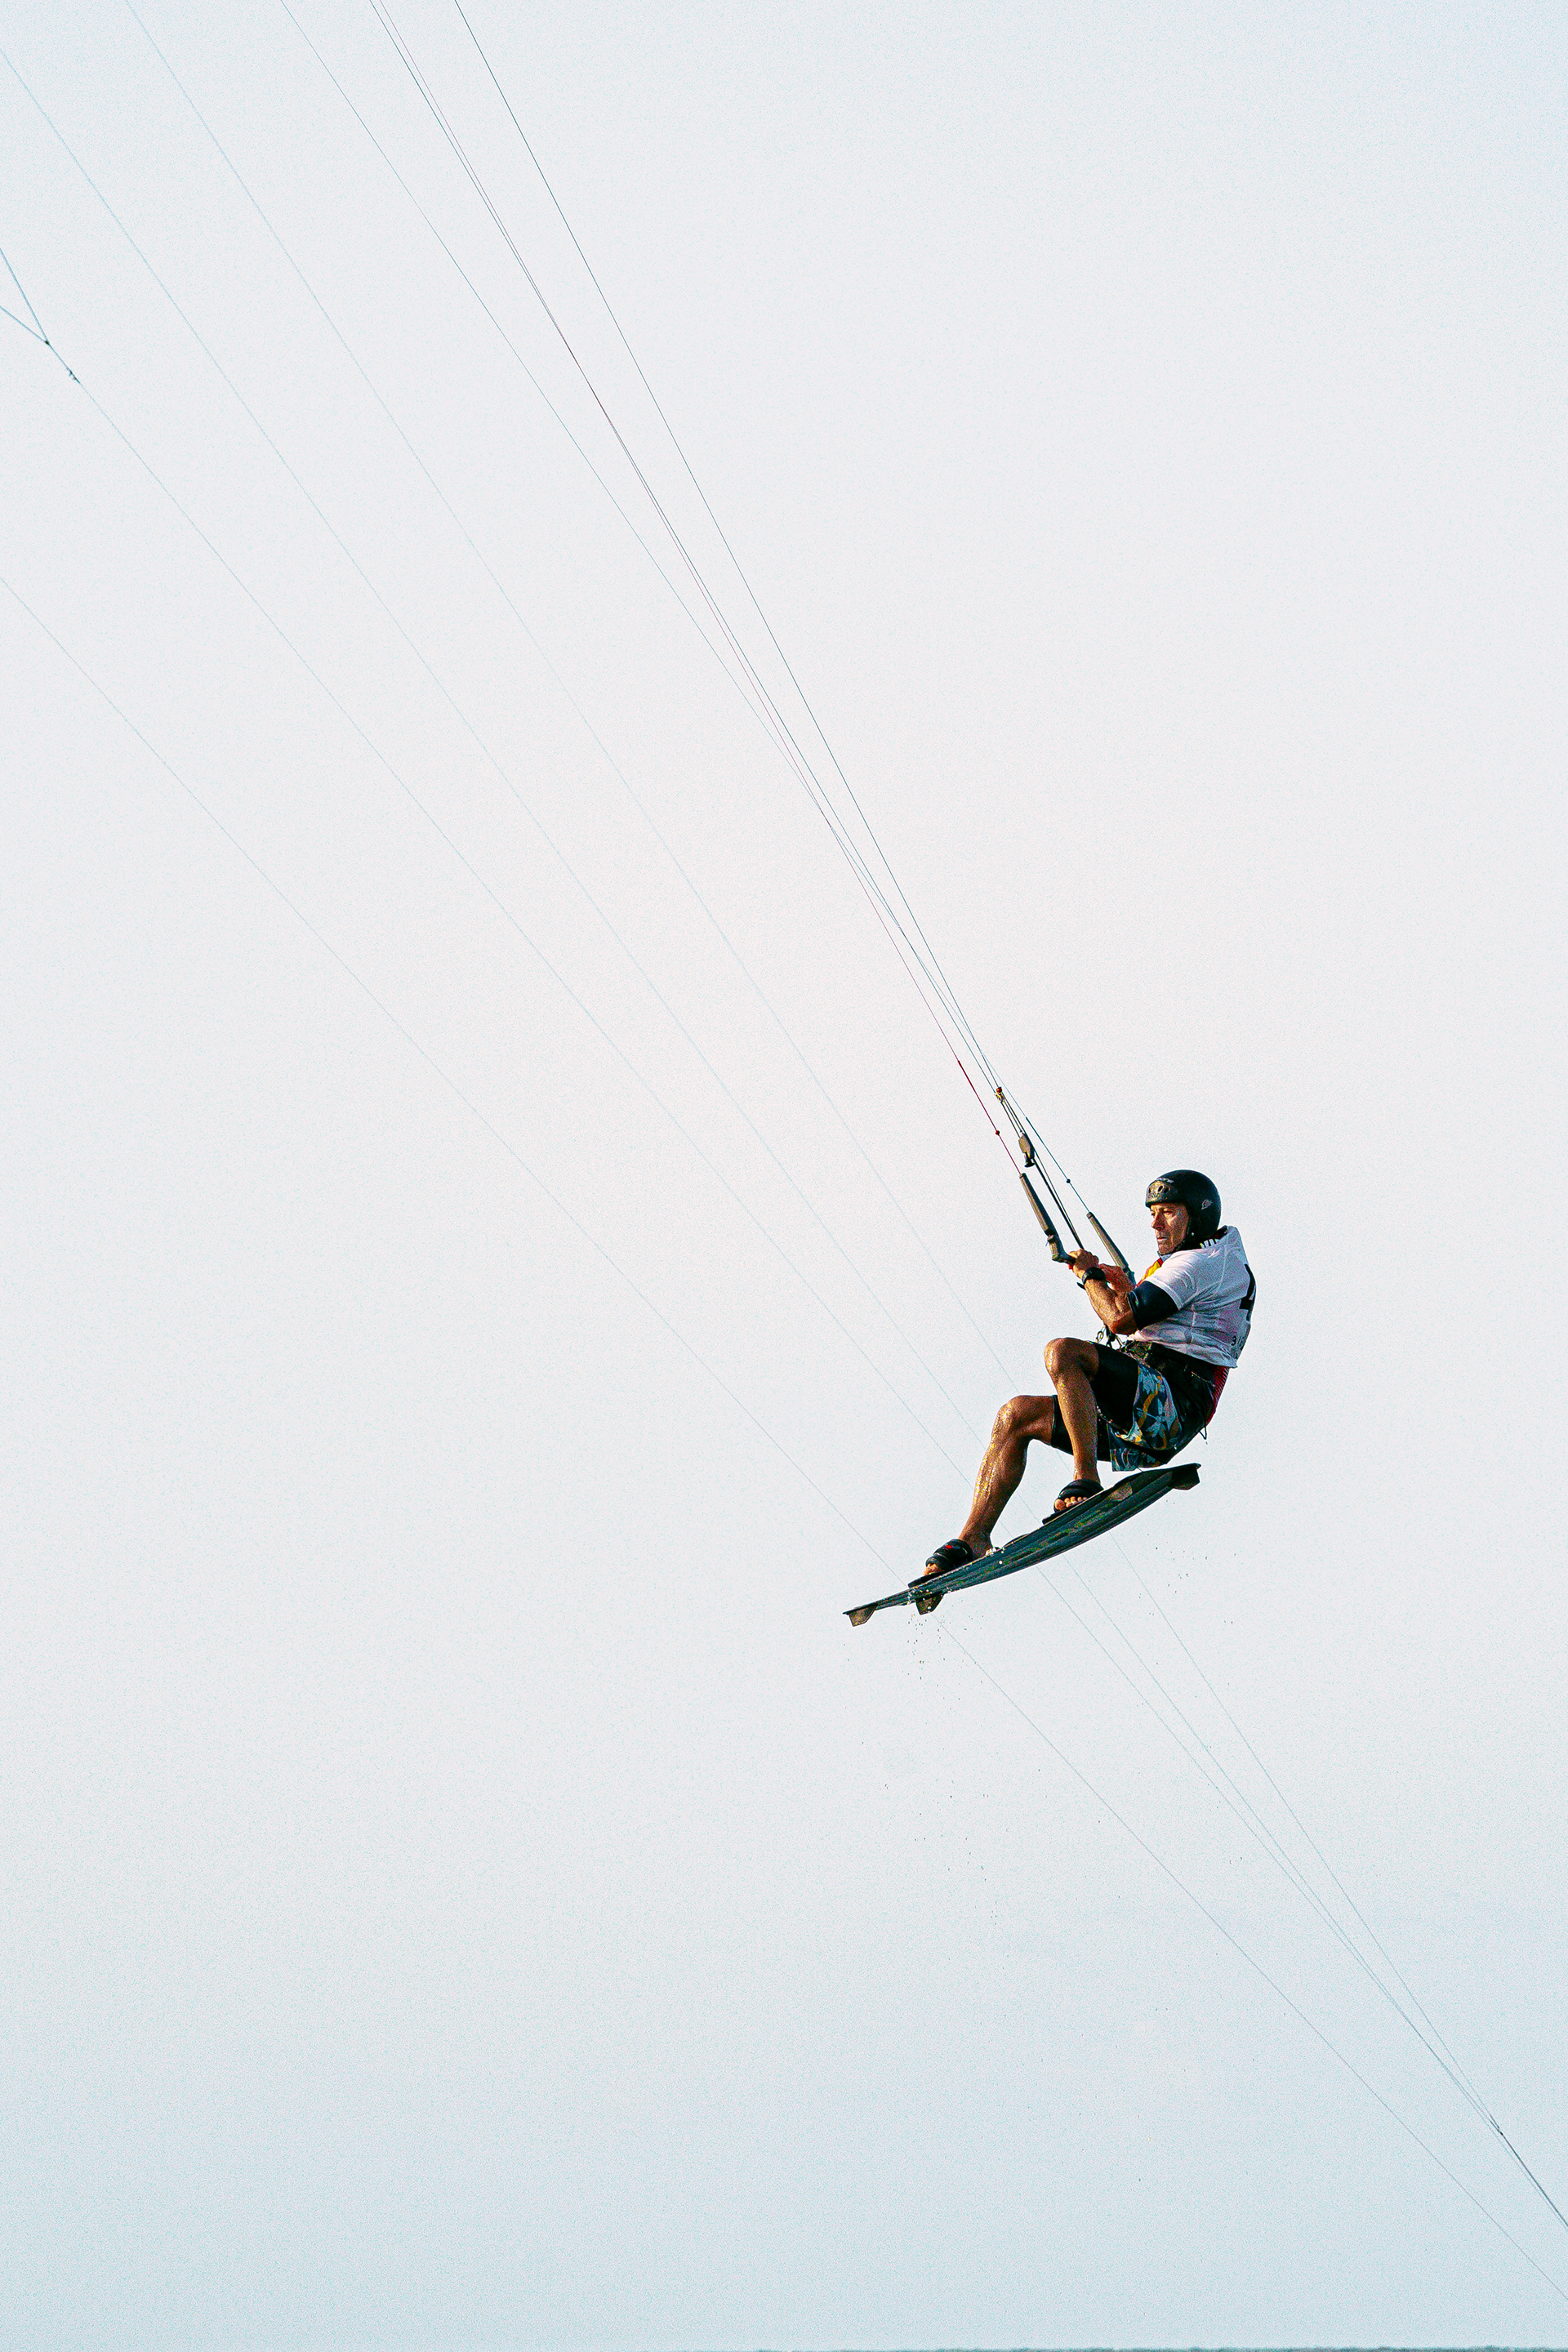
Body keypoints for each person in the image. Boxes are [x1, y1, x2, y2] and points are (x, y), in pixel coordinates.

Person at [917, 1170, 1254, 1602]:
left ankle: (1085, 1479)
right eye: (1153, 1213)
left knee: (1064, 1353)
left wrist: (1090, 1275)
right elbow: (1165, 1319)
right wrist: (1125, 1287)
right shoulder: (1208, 1258)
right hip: (1141, 1406)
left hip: (1173, 1406)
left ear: (1199, 1218)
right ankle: (973, 1538)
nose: (1155, 1224)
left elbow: (1119, 1320)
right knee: (1016, 1415)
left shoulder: (1201, 1263)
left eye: (1168, 1212)